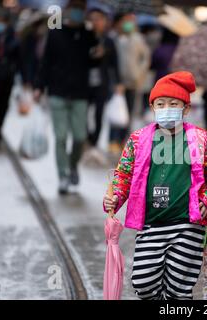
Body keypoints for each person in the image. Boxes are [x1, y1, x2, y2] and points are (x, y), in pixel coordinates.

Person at [103, 71, 207, 300]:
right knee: (143, 282)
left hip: (187, 225)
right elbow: (124, 174)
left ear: (186, 108)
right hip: (151, 224)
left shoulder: (201, 139)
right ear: (152, 107)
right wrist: (115, 198)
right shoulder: (138, 139)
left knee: (179, 288)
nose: (166, 108)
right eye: (160, 104)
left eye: (173, 103)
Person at [34, 0, 101, 194]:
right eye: (75, 10)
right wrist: (39, 86)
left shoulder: (90, 35)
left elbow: (95, 65)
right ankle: (62, 176)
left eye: (81, 10)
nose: (78, 14)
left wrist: (100, 51)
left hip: (80, 93)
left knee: (80, 137)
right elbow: (46, 62)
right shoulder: (55, 33)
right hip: (58, 92)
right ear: (67, 11)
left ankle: (72, 166)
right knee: (61, 136)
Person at [85, 6, 123, 164]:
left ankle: (94, 142)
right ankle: (86, 137)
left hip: (102, 83)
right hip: (84, 83)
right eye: (92, 19)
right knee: (83, 113)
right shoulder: (84, 38)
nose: (95, 22)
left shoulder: (108, 41)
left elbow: (115, 63)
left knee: (99, 113)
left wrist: (119, 82)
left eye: (99, 19)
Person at [110, 12, 151, 154]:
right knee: (116, 111)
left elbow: (145, 58)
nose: (129, 23)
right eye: (126, 20)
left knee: (129, 111)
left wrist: (139, 74)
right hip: (117, 83)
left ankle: (123, 140)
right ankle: (113, 140)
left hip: (133, 82)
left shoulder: (138, 39)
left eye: (132, 20)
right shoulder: (115, 38)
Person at [0, 7, 19, 149]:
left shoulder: (13, 37)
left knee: (3, 105)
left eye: (3, 21)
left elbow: (19, 57)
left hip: (7, 77)